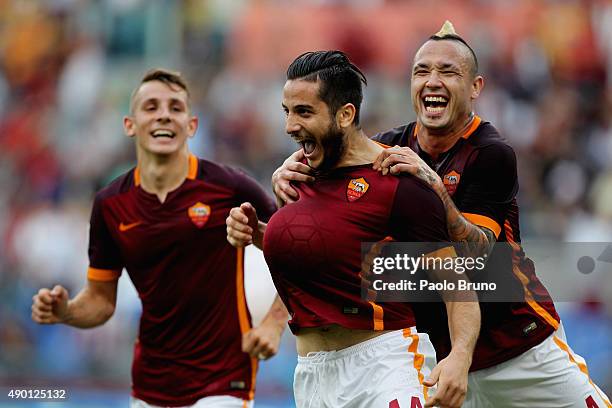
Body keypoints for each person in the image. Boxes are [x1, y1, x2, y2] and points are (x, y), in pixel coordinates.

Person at [272, 22, 611, 408]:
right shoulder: (387, 147)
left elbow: (480, 256)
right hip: (439, 358)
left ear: (475, 88)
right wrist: (289, 170)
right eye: (421, 71)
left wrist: (435, 187)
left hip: (518, 346)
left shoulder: (491, 153)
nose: (432, 81)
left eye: (448, 72)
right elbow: (331, 159)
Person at [227, 50, 481, 408]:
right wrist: (255, 233)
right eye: (287, 111)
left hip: (384, 364)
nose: (289, 126)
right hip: (312, 374)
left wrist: (459, 356)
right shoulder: (298, 176)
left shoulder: (398, 182)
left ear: (345, 114)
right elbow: (321, 253)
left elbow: (456, 283)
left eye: (304, 112)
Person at [31, 69, 288, 408]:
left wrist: (273, 322)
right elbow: (101, 301)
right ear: (130, 124)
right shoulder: (110, 204)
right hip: (151, 385)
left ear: (192, 125)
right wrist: (66, 311)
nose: (164, 114)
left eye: (175, 107)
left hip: (223, 380)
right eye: (151, 106)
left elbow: (296, 251)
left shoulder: (231, 187)